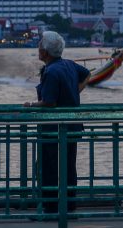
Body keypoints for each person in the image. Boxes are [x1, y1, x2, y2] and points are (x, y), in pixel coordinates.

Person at [24, 30, 89, 216]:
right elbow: (87, 76)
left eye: (40, 44)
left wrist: (31, 105)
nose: (38, 47)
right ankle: (70, 204)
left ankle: (51, 207)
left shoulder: (51, 71)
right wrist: (75, 92)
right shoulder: (69, 64)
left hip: (53, 128)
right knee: (69, 166)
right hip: (72, 126)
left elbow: (49, 102)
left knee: (49, 166)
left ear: (46, 52)